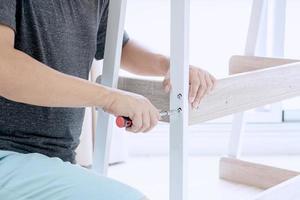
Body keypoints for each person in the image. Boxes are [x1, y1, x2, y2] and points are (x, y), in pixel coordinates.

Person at [0, 0, 216, 199]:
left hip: (55, 160)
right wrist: (109, 98)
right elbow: (4, 68)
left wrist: (170, 66)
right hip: (7, 155)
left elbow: (118, 45)